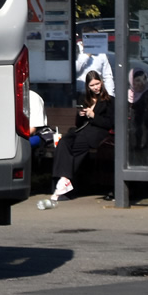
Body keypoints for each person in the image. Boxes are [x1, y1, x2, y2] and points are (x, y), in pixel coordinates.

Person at [50, 69, 114, 201]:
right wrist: (81, 115)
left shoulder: (109, 101)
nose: (96, 87)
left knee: (78, 144)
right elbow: (78, 124)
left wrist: (94, 116)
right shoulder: (84, 99)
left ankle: (64, 182)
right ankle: (64, 180)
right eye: (92, 85)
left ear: (102, 82)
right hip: (82, 131)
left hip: (98, 133)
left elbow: (110, 123)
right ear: (88, 86)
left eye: (97, 83)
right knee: (64, 142)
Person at [129, 67, 148, 151]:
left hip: (144, 138)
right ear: (131, 81)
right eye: (137, 80)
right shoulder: (126, 94)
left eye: (144, 80)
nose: (141, 83)